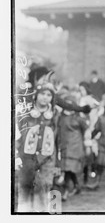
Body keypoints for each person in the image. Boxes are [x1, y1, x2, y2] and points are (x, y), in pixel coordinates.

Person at [16, 80, 60, 212]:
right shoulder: (25, 113)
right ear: (36, 94)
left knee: (45, 187)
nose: (45, 97)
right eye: (42, 93)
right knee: (25, 188)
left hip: (47, 159)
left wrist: (58, 164)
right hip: (27, 158)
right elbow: (18, 136)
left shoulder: (55, 115)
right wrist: (16, 156)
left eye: (48, 95)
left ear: (52, 98)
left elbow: (59, 139)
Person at [57, 93, 89, 201]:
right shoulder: (60, 117)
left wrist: (87, 143)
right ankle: (77, 186)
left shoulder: (78, 118)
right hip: (64, 146)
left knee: (68, 169)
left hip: (75, 146)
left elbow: (86, 130)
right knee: (68, 169)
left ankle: (66, 191)